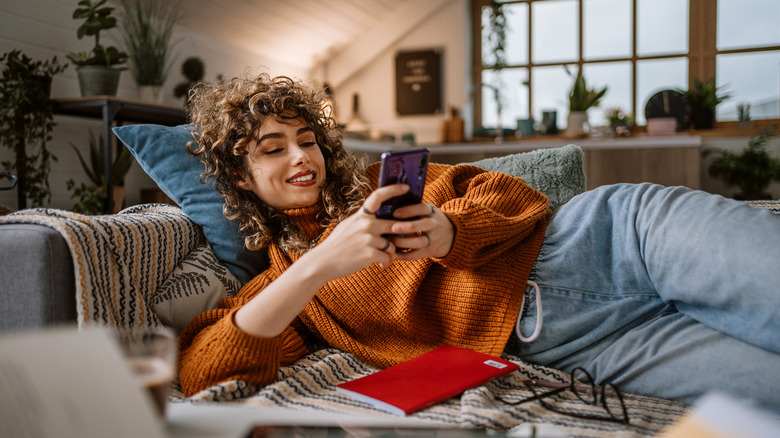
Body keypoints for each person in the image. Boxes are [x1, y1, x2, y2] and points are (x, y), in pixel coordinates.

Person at [178, 73, 780, 414]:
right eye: (273, 147)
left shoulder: (384, 187)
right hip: (584, 346)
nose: (301, 156)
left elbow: (516, 198)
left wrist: (448, 231)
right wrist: (317, 268)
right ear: (239, 174)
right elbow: (207, 370)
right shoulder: (290, 289)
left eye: (305, 139)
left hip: (614, 237)